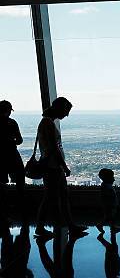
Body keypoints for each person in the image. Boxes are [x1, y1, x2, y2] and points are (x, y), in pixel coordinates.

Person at [34, 98, 87, 237]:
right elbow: (53, 148)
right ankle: (42, 227)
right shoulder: (48, 123)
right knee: (52, 198)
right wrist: (64, 166)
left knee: (59, 197)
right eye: (66, 110)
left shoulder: (47, 122)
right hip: (53, 166)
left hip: (53, 166)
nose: (67, 114)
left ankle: (70, 226)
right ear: (59, 108)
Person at [0, 100, 25, 221]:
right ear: (9, 110)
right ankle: (22, 208)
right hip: (12, 154)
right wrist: (12, 142)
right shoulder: (12, 123)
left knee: (1, 183)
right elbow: (20, 140)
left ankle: (4, 212)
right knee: (20, 180)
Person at [96, 168, 120, 234]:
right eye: (112, 177)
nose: (114, 179)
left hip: (108, 204)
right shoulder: (107, 187)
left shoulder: (105, 185)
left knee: (109, 217)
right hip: (110, 205)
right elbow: (108, 196)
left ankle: (112, 227)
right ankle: (102, 225)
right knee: (110, 217)